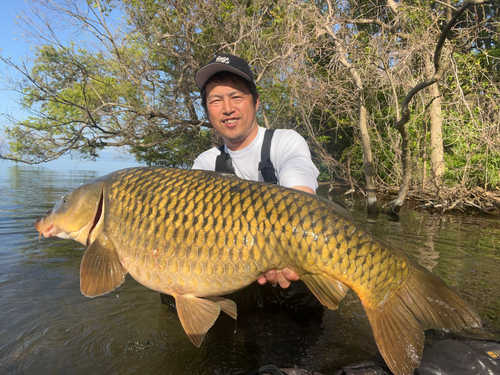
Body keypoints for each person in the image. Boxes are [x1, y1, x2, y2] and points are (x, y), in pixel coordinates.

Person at [191, 53, 321, 313]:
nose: (227, 108)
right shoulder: (205, 164)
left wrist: (284, 249)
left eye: (236, 97)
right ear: (207, 111)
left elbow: (302, 197)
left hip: (289, 268)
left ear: (256, 102)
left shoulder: (285, 142)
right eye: (215, 100)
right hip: (231, 270)